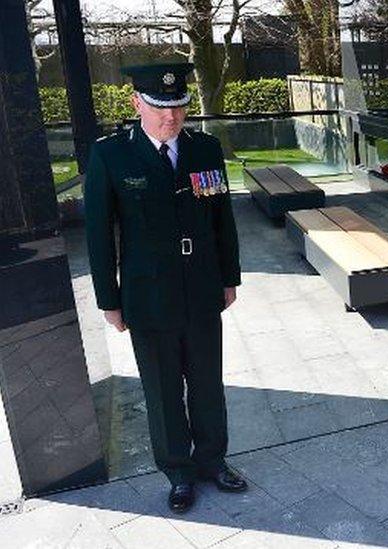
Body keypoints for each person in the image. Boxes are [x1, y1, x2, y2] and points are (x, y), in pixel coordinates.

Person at [84, 63, 246, 513]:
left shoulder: (205, 150)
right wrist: (108, 301)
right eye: (159, 107)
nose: (170, 118)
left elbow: (221, 220)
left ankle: (213, 460)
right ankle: (178, 472)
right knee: (162, 388)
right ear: (137, 102)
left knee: (207, 382)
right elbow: (99, 235)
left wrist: (229, 277)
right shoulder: (111, 155)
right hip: (147, 295)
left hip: (200, 289)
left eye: (178, 107)